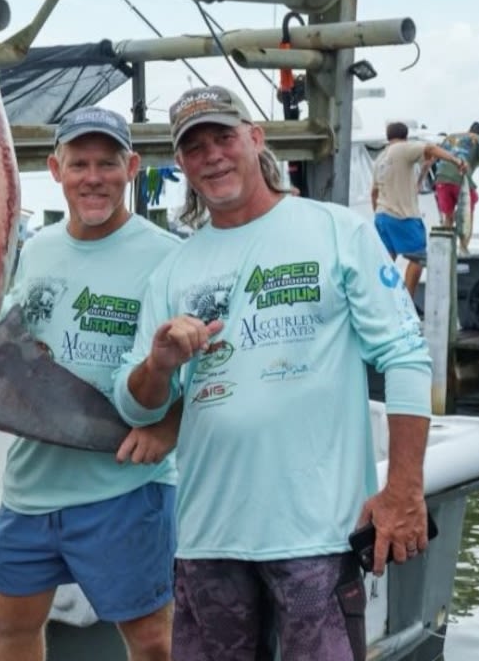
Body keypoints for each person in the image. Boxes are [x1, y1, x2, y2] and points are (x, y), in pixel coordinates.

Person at [112, 85, 433, 661]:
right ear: (180, 163)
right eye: (194, 146)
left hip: (319, 535)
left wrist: (404, 489)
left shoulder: (338, 230)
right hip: (208, 538)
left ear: (255, 139)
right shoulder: (173, 268)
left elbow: (406, 357)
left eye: (223, 137)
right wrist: (158, 364)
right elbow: (138, 408)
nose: (211, 155)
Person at [0, 106, 179, 661]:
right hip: (30, 484)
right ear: (55, 169)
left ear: (133, 167)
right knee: (11, 624)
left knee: (152, 642)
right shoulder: (38, 247)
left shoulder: (166, 257)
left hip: (121, 488)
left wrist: (171, 425)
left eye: (106, 163)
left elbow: (206, 365)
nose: (92, 177)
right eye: (78, 164)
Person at [371, 121, 467, 299]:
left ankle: (381, 300)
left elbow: (374, 193)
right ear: (406, 136)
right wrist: (456, 160)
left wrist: (423, 170)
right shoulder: (403, 149)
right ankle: (407, 302)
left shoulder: (380, 159)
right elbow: (430, 148)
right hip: (403, 217)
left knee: (386, 262)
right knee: (418, 258)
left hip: (382, 216)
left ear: (388, 137)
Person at [426, 121, 479, 254]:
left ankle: (447, 251)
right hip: (461, 178)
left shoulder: (450, 137)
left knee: (448, 216)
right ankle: (463, 248)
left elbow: (431, 160)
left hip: (441, 178)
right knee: (467, 214)